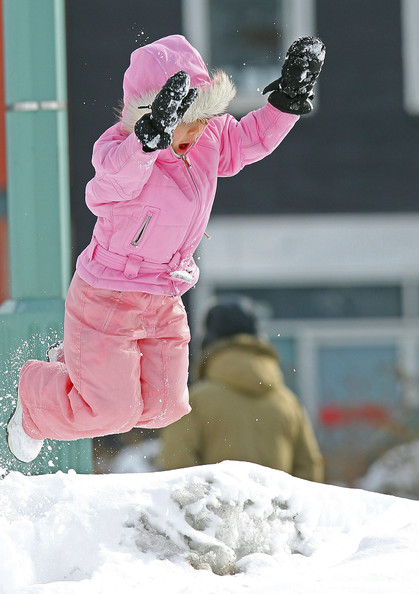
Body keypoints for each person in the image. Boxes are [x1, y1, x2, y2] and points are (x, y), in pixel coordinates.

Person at [6, 34, 326, 463]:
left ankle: (79, 362)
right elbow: (104, 191)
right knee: (113, 411)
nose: (196, 129)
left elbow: (249, 139)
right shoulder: (120, 152)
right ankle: (33, 404)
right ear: (154, 116)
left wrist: (286, 102)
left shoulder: (209, 138)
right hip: (108, 295)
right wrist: (146, 142)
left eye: (203, 117)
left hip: (164, 294)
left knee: (165, 406)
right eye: (184, 120)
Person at [159, 296, 325, 482]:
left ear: (208, 342)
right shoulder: (288, 401)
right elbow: (309, 468)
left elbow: (177, 464)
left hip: (214, 509)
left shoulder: (193, 401)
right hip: (276, 509)